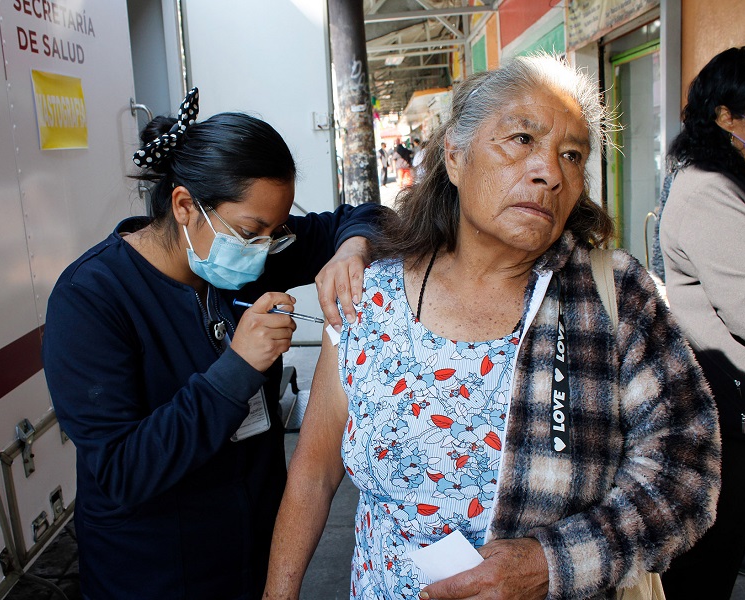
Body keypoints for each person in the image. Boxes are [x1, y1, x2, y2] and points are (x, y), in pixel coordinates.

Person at [263, 55, 721, 600]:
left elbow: (687, 475)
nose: (549, 171)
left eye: (571, 155)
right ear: (455, 156)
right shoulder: (369, 298)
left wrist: (550, 564)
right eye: (522, 139)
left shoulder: (613, 296)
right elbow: (315, 473)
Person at [41, 88, 382, 599]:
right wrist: (237, 368)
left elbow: (369, 218)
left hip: (251, 560)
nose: (264, 248)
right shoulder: (91, 299)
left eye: (277, 233)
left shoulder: (249, 257)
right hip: (152, 576)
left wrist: (351, 251)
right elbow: (121, 470)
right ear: (184, 205)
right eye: (252, 231)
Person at [657, 46, 745, 598]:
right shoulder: (710, 192)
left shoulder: (734, 185)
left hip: (743, 408)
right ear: (727, 115)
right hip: (732, 413)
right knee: (707, 569)